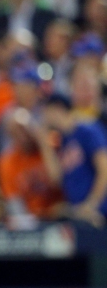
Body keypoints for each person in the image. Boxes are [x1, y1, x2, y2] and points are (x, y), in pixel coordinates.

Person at [40, 94, 107, 227]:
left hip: (99, 213)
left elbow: (104, 169)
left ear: (57, 108)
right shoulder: (63, 140)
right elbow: (56, 178)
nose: (44, 118)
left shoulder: (87, 130)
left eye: (46, 111)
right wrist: (43, 142)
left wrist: (92, 204)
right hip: (80, 214)